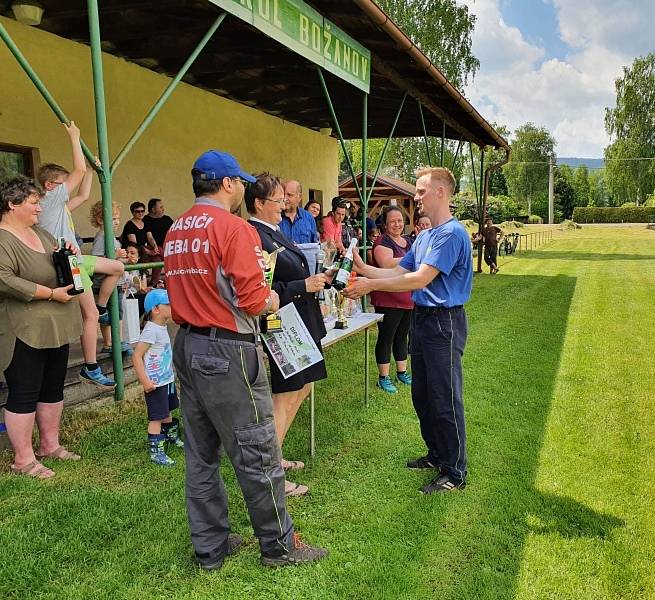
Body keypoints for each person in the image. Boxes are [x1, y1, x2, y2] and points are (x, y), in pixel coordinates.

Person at [164, 150, 326, 569]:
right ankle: (279, 546)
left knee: (201, 456)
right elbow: (255, 300)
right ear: (228, 184)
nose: (242, 188)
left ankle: (210, 548)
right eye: (240, 182)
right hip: (228, 350)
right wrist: (274, 295)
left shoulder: (177, 229)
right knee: (257, 451)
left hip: (187, 344)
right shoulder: (234, 229)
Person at [345, 166, 471, 495]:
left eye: (421, 190)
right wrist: (361, 267)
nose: (415, 196)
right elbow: (398, 270)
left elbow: (419, 279)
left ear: (441, 193)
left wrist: (369, 283)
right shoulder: (426, 236)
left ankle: (455, 471)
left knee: (444, 397)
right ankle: (437, 454)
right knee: (423, 395)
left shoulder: (451, 234)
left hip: (445, 322)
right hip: (424, 318)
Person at [0, 176, 83, 479]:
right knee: (25, 391)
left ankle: (49, 446)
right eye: (33, 202)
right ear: (12, 205)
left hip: (53, 324)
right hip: (19, 329)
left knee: (52, 386)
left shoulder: (40, 233)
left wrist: (66, 254)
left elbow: (57, 263)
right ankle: (22, 459)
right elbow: (2, 280)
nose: (40, 208)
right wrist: (51, 293)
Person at [246, 174, 328, 498]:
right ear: (258, 203)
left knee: (302, 388)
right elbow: (259, 291)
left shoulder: (275, 232)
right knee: (286, 394)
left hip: (301, 319)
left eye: (284, 199)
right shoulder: (255, 237)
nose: (283, 205)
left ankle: (275, 455)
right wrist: (302, 286)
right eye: (278, 200)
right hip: (281, 323)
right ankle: (271, 472)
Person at [37, 121, 123, 388]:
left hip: (76, 258)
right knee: (90, 317)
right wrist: (75, 137)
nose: (67, 188)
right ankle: (90, 365)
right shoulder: (47, 200)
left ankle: (100, 307)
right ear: (51, 185)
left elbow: (84, 194)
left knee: (117, 267)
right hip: (65, 260)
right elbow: (78, 169)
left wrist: (91, 170)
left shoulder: (59, 206)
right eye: (63, 185)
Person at [132, 289, 183, 467]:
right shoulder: (151, 331)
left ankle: (171, 437)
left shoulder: (161, 327)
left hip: (165, 380)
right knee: (156, 416)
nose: (172, 307)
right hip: (154, 383)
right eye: (168, 305)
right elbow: (137, 356)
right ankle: (156, 451)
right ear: (155, 309)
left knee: (167, 410)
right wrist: (145, 381)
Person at [369, 205, 414, 394]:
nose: (397, 224)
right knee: (387, 337)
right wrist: (413, 258)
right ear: (385, 225)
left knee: (402, 335)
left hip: (408, 297)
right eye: (392, 221)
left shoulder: (409, 242)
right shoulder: (382, 242)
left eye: (399, 220)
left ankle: (402, 372)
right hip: (388, 298)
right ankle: (383, 377)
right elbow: (386, 264)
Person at [89, 201, 132, 357]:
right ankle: (108, 342)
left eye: (118, 218)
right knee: (106, 314)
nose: (117, 222)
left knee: (118, 313)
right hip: (104, 282)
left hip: (117, 282)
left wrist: (127, 260)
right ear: (101, 220)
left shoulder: (112, 238)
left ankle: (118, 340)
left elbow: (116, 260)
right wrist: (116, 255)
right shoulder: (101, 237)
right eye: (113, 219)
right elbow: (98, 259)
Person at [143, 198, 173, 287]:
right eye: (161, 207)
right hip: (151, 250)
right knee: (158, 260)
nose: (163, 209)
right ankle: (154, 285)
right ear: (153, 209)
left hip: (167, 249)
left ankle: (171, 284)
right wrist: (155, 248)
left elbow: (175, 233)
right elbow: (149, 238)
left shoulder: (167, 219)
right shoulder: (145, 220)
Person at [280, 180, 319, 244]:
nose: (284, 198)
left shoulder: (308, 217)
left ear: (299, 197)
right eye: (283, 194)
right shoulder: (275, 217)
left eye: (289, 195)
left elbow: (315, 245)